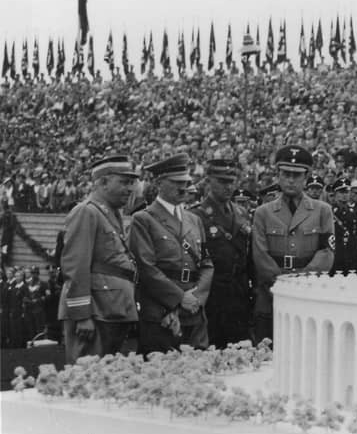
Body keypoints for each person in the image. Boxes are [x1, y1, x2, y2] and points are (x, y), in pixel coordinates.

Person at [129, 153, 214, 354]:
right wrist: (179, 298)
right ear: (159, 183)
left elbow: (206, 263)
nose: (183, 188)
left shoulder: (194, 220)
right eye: (176, 182)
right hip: (161, 312)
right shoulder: (143, 219)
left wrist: (197, 298)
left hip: (193, 311)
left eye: (185, 182)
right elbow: (146, 267)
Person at [58, 156, 140, 364]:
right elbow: (75, 265)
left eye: (131, 183)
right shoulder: (86, 211)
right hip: (94, 313)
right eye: (124, 182)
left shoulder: (110, 213)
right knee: (87, 374)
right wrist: (82, 315)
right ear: (103, 182)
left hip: (110, 309)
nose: (130, 189)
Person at [251, 145, 335, 342]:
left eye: (296, 175)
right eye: (286, 174)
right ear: (278, 175)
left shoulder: (322, 211)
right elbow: (260, 255)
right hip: (272, 293)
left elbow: (326, 253)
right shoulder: (263, 212)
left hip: (308, 291)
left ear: (306, 178)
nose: (290, 180)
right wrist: (282, 283)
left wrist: (301, 281)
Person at [189, 159, 253, 349]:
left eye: (232, 181)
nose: (229, 187)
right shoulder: (197, 215)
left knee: (241, 351)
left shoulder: (241, 213)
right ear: (209, 181)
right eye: (222, 181)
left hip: (239, 294)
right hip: (212, 295)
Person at [331, 179, 357, 272]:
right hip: (335, 256)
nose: (344, 195)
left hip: (352, 255)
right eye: (341, 192)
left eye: (346, 192)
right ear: (335, 194)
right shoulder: (329, 212)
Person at [20, 266, 50, 342]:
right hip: (29, 310)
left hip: (39, 310)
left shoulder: (44, 284)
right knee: (31, 329)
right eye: (33, 273)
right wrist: (25, 300)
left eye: (36, 273)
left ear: (38, 273)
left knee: (39, 329)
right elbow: (23, 295)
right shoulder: (26, 284)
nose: (34, 275)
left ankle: (39, 345)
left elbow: (48, 296)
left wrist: (38, 300)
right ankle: (32, 344)